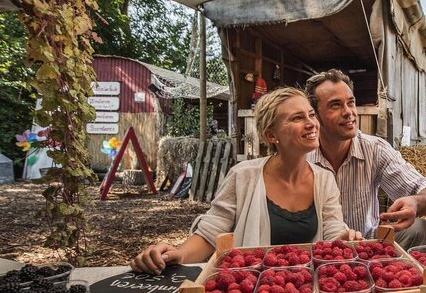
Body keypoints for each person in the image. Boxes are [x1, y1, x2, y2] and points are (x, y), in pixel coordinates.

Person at [131, 87, 361, 273]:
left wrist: (345, 237)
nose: (311, 123)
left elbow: (332, 231)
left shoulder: (325, 179)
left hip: (305, 288)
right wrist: (177, 254)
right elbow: (211, 234)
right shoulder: (243, 176)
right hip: (249, 286)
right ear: (271, 135)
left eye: (311, 114)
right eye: (298, 118)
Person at [304, 69, 426, 250]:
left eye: (351, 102)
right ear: (315, 116)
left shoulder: (374, 149)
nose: (349, 112)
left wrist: (416, 203)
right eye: (335, 105)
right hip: (318, 250)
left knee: (425, 229)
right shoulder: (302, 156)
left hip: (369, 246)